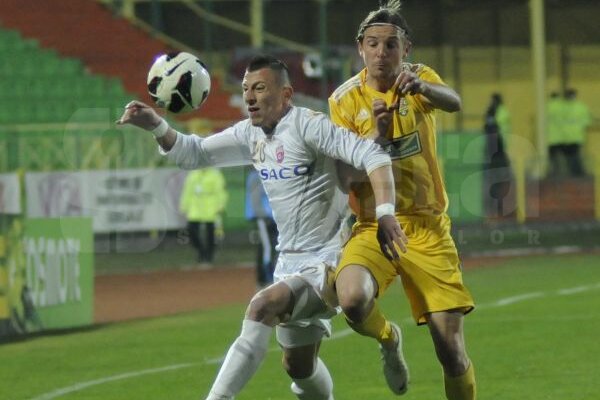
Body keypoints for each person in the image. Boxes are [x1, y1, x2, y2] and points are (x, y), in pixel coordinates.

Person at [117, 54, 407, 400]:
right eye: (245, 89)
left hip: (327, 261)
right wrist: (155, 125)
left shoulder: (309, 126)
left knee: (261, 307)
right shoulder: (248, 134)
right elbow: (193, 154)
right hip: (289, 264)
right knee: (299, 369)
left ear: (286, 95)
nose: (250, 97)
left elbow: (372, 155)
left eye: (259, 88)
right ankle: (383, 347)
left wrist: (386, 212)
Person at [328, 1, 476, 399]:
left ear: (405, 49)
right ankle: (388, 338)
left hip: (427, 228)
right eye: (373, 44)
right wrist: (377, 138)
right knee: (352, 298)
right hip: (374, 227)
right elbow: (346, 178)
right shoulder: (343, 101)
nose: (382, 52)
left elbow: (454, 101)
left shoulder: (418, 79)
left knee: (451, 352)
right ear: (360, 48)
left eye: (391, 44)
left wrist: (424, 88)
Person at [179, 167, 228, 264]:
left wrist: (221, 205)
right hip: (195, 208)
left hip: (211, 208)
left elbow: (221, 191)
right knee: (191, 230)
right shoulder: (192, 175)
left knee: (211, 234)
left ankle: (209, 255)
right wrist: (184, 206)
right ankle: (201, 251)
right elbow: (187, 192)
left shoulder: (215, 175)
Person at [245, 168, 278, 288]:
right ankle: (265, 279)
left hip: (273, 217)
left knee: (271, 247)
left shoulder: (269, 172)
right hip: (264, 218)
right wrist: (263, 215)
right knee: (267, 248)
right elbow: (255, 200)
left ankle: (266, 279)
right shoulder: (256, 176)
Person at [482, 93, 513, 218]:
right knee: (501, 183)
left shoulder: (495, 113)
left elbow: (489, 129)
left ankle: (497, 209)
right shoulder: (503, 112)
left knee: (495, 183)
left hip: (496, 155)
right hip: (501, 154)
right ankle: (499, 209)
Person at [548, 88, 591, 177]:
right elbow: (587, 122)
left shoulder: (555, 106)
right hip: (575, 136)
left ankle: (556, 175)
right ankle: (577, 175)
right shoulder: (581, 106)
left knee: (556, 160)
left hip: (556, 137)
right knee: (574, 158)